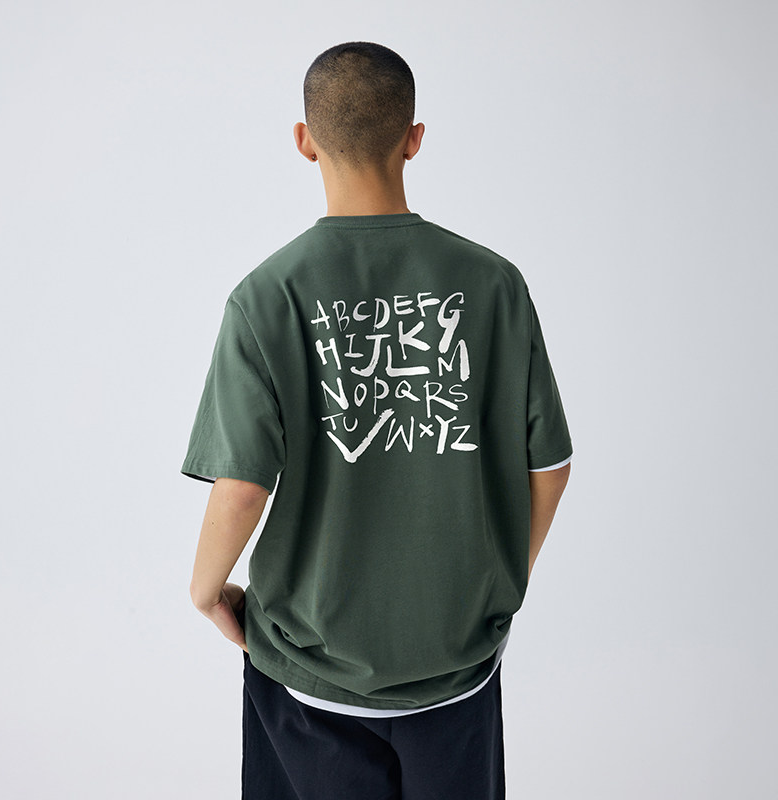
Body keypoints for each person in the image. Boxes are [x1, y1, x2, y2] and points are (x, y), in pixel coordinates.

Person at [182, 40, 572, 800]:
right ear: (413, 138)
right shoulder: (494, 284)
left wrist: (207, 591)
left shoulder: (267, 296)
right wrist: (497, 584)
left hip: (307, 666)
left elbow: (242, 488)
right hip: (455, 662)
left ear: (305, 141)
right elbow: (549, 466)